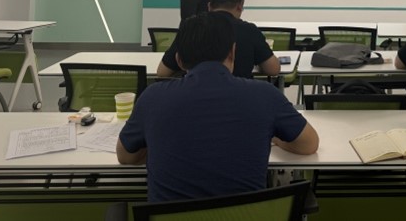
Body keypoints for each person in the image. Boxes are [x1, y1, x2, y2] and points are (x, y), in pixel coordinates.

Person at [117, 11, 318, 202]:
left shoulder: (152, 98)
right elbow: (309, 145)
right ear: (232, 53)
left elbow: (125, 156)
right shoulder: (265, 95)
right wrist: (275, 139)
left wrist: (158, 141)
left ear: (179, 60)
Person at [158, 0, 280, 78]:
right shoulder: (249, 30)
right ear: (240, 6)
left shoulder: (190, 27)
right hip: (239, 98)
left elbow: (162, 72)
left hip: (194, 97)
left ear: (209, 6)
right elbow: (273, 69)